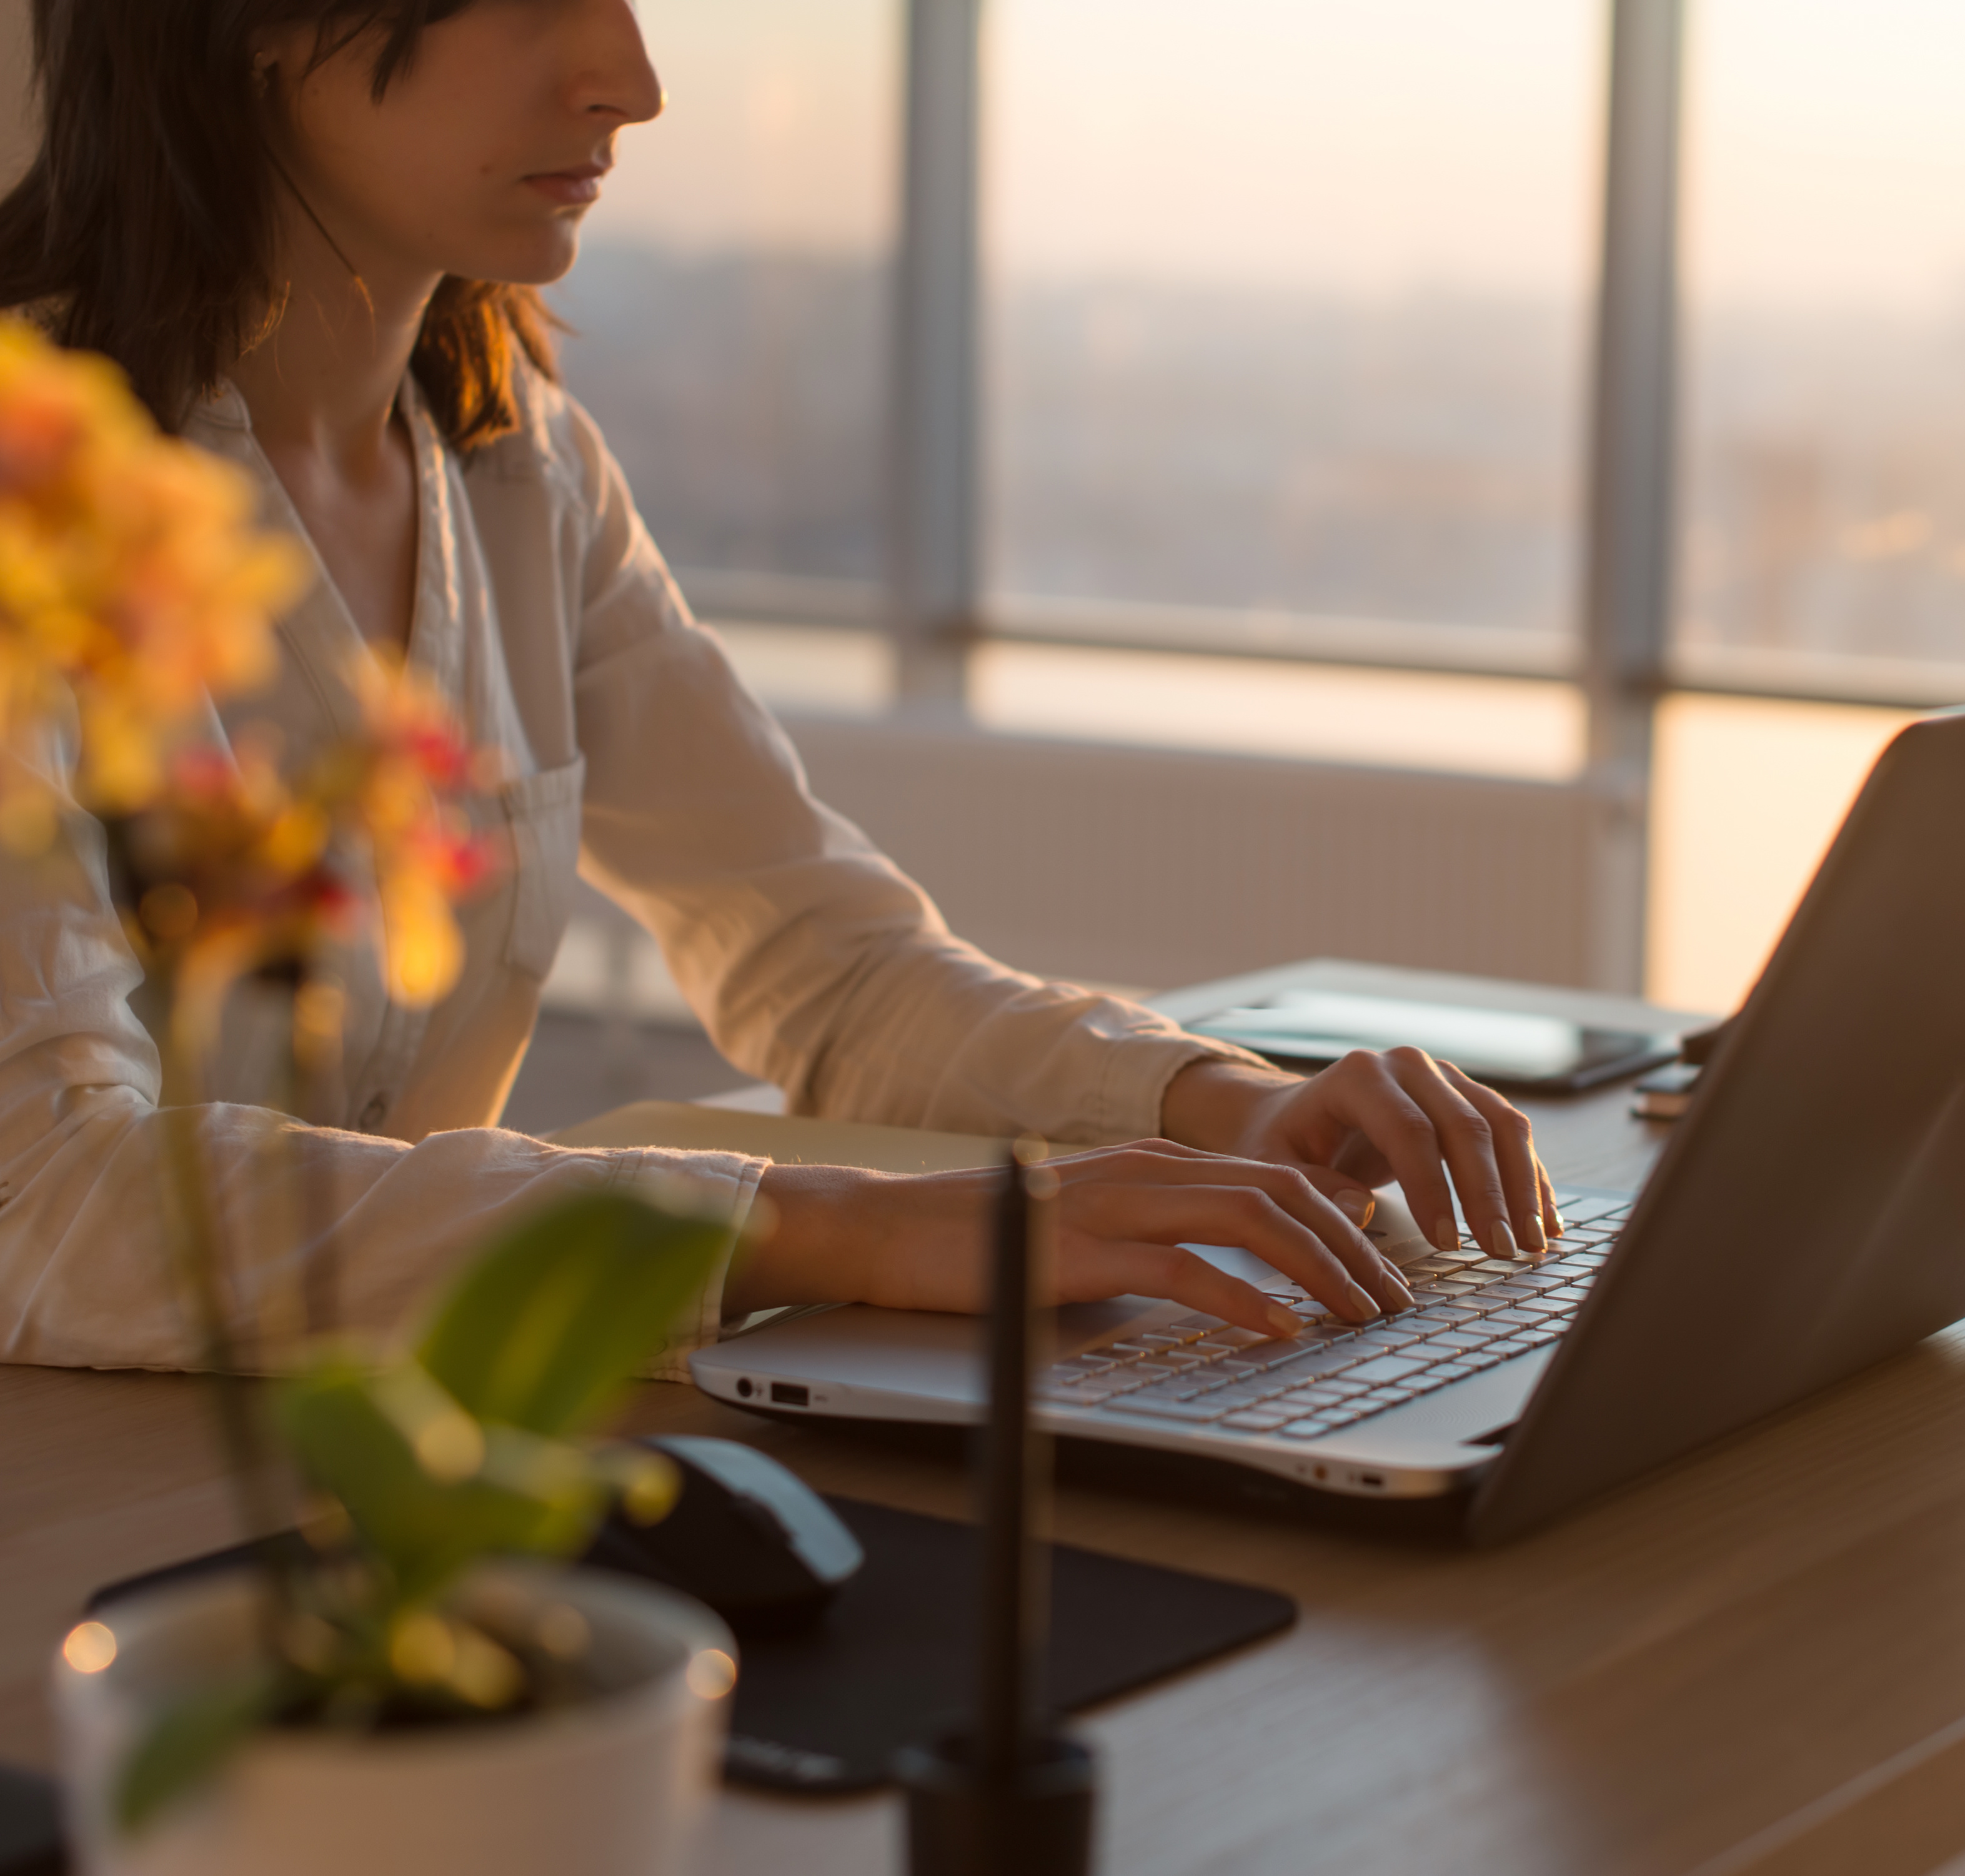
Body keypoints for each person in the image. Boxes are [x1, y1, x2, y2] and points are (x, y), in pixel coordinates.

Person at [0, 0, 1558, 1374]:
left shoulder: (515, 464)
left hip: (412, 1487)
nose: (634, 79)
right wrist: (840, 1230)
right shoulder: (28, 488)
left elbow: (828, 967)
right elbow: (46, 1193)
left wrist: (1218, 1103)